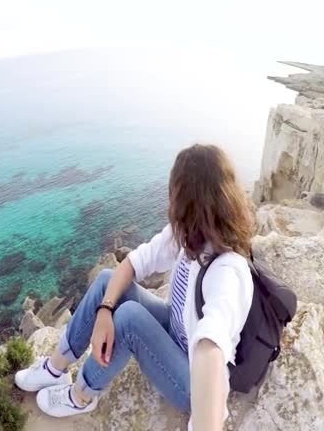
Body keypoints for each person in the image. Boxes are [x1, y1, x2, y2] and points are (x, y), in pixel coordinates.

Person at [15, 144, 254, 430]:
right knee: (107, 279)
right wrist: (104, 311)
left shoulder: (228, 270)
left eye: (175, 189)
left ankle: (81, 396)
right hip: (177, 331)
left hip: (194, 384)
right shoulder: (190, 235)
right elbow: (131, 264)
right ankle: (55, 367)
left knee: (129, 318)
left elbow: (210, 348)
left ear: (191, 199)